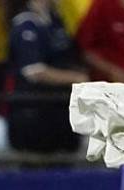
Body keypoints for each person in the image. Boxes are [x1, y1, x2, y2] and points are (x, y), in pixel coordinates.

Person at [8, 0, 90, 154]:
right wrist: (75, 78)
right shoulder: (26, 24)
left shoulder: (55, 21)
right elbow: (34, 71)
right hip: (34, 111)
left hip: (62, 110)